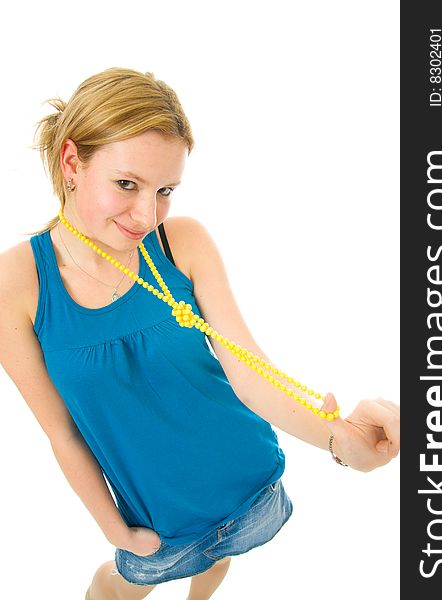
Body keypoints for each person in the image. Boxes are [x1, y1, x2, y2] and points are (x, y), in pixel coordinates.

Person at [0, 67, 400, 600]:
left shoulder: (180, 243)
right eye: (127, 184)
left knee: (219, 559)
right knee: (115, 588)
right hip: (154, 517)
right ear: (72, 162)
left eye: (165, 190)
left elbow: (248, 371)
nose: (148, 213)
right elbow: (63, 432)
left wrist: (338, 437)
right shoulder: (15, 284)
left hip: (243, 479)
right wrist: (115, 531)